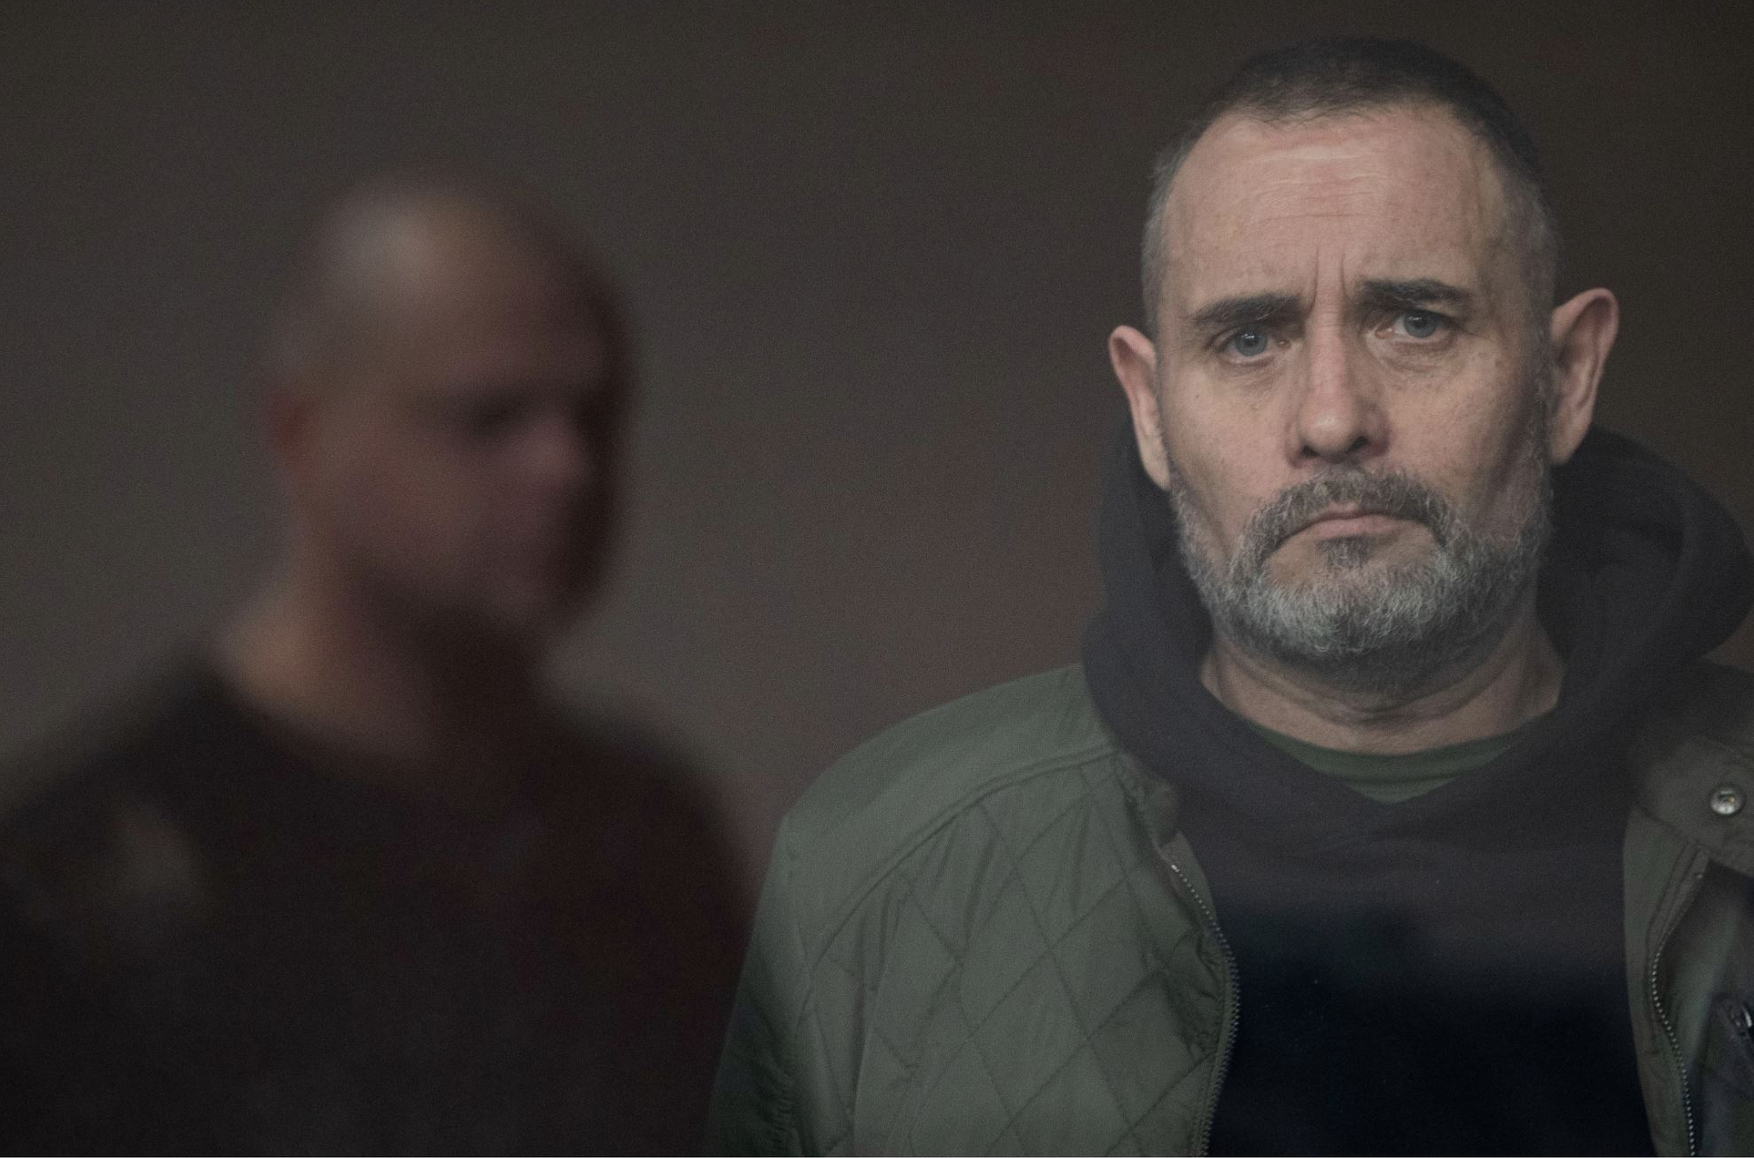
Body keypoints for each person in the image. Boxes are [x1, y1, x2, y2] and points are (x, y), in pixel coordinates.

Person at [707, 37, 1754, 1155]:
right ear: (1150, 410)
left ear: (1566, 376)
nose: (1331, 419)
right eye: (1249, 339)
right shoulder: (877, 873)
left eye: (1416, 321)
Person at [0, 176, 744, 1153]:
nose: (566, 469)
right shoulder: (77, 889)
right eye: (487, 418)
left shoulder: (647, 841)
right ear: (300, 434)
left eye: (595, 416)